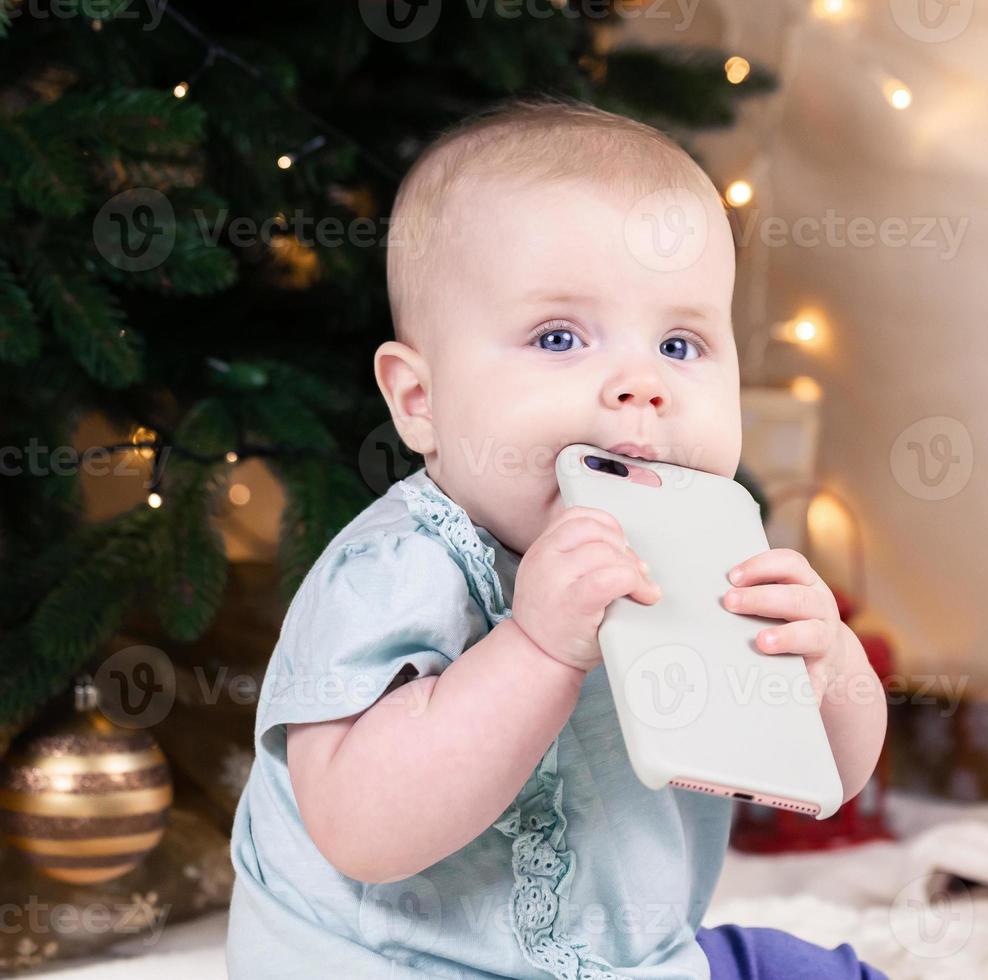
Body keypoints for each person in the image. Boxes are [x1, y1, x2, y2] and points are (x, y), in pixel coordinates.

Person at [226, 97, 889, 979]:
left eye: (683, 344)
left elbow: (826, 782)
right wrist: (535, 647)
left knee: (801, 968)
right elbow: (360, 831)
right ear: (419, 402)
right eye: (559, 335)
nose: (640, 384)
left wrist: (825, 667)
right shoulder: (397, 571)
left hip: (625, 958)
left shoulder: (696, 553)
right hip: (400, 965)